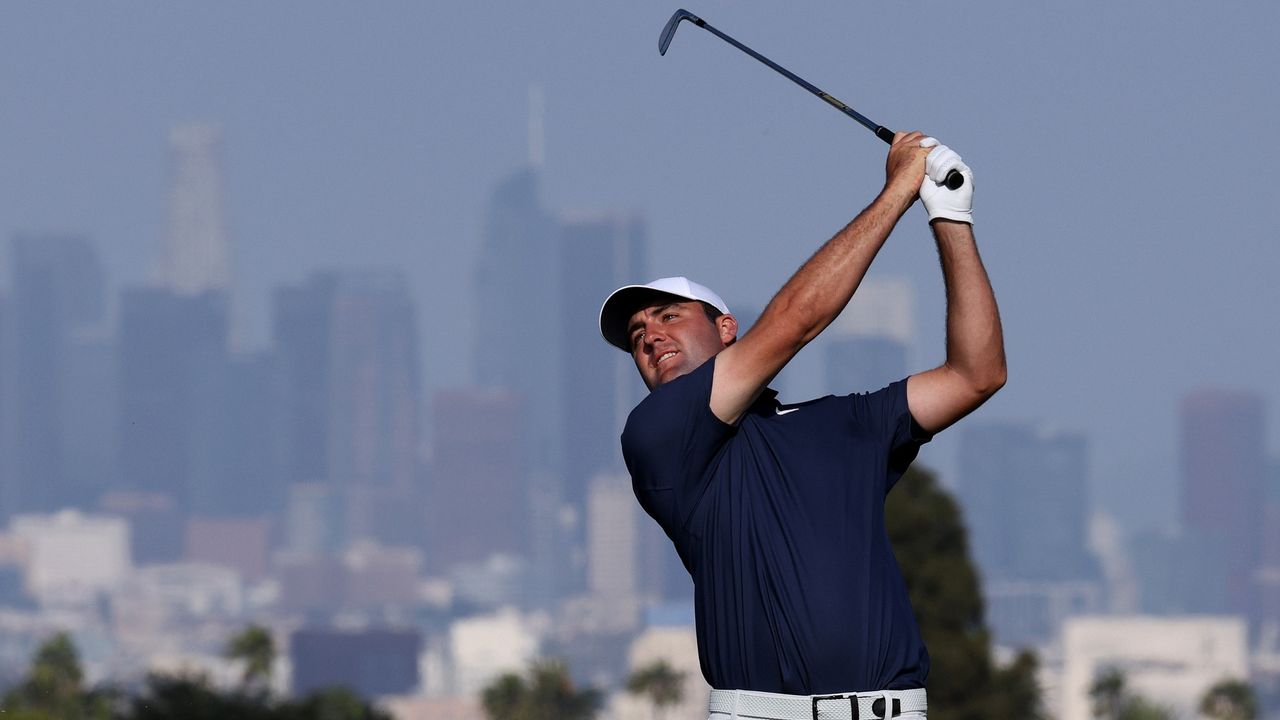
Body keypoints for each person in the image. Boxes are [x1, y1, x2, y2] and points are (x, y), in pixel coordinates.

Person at [597, 132, 1006, 720]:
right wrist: (898, 190)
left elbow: (977, 374)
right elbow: (795, 322)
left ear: (726, 328)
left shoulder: (844, 422)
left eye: (669, 316)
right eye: (637, 338)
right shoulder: (658, 434)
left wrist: (949, 215)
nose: (651, 337)